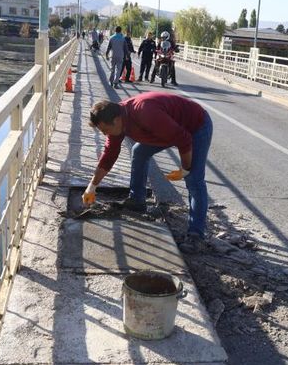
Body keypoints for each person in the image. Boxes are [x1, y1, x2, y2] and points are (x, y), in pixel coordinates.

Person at [82, 92, 213, 252]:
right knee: (139, 152)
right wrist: (92, 186)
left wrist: (185, 170)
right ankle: (137, 200)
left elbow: (184, 139)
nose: (104, 134)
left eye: (105, 129)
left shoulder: (145, 114)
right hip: (167, 130)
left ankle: (196, 236)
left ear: (116, 121)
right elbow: (109, 156)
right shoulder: (117, 124)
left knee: (194, 180)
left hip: (195, 126)